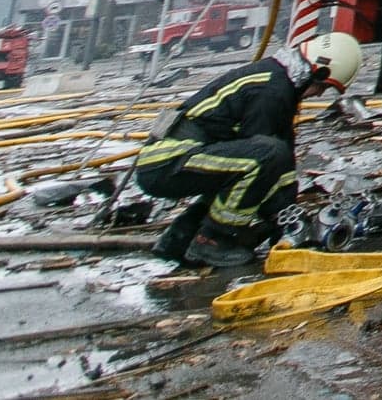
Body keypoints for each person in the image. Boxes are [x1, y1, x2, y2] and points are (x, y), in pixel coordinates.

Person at [134, 34, 361, 268]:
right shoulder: (272, 91)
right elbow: (266, 160)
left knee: (244, 171)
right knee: (261, 160)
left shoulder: (278, 83)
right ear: (317, 72)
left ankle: (178, 240)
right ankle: (212, 240)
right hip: (169, 161)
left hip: (171, 159)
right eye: (323, 87)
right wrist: (278, 215)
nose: (320, 94)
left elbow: (282, 163)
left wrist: (288, 214)